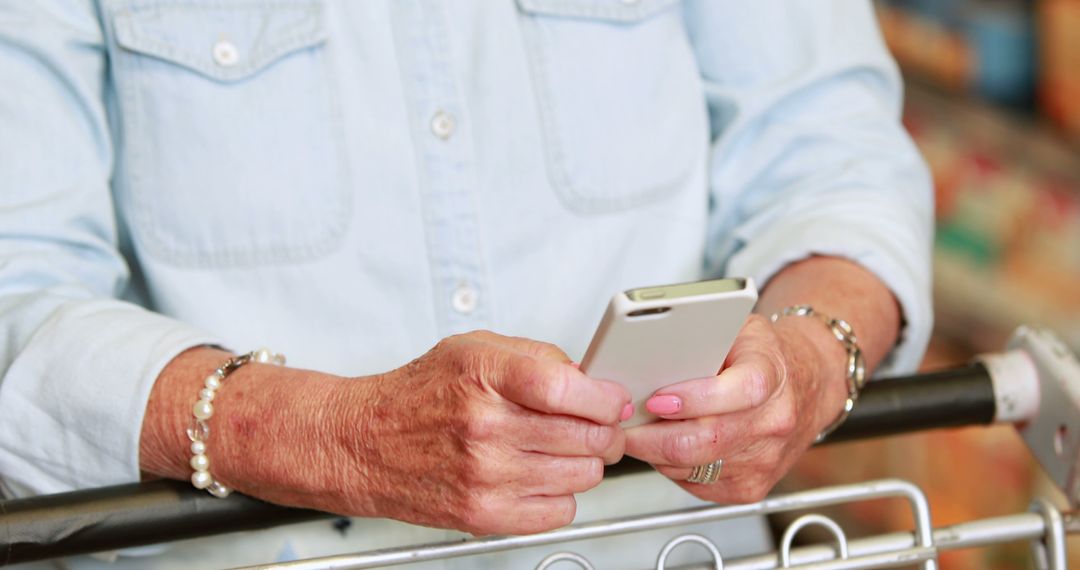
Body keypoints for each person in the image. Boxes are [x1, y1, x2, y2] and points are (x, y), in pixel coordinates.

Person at [0, 1, 933, 568]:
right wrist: (332, 436)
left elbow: (832, 154)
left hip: (667, 553)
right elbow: (17, 289)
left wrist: (811, 356)